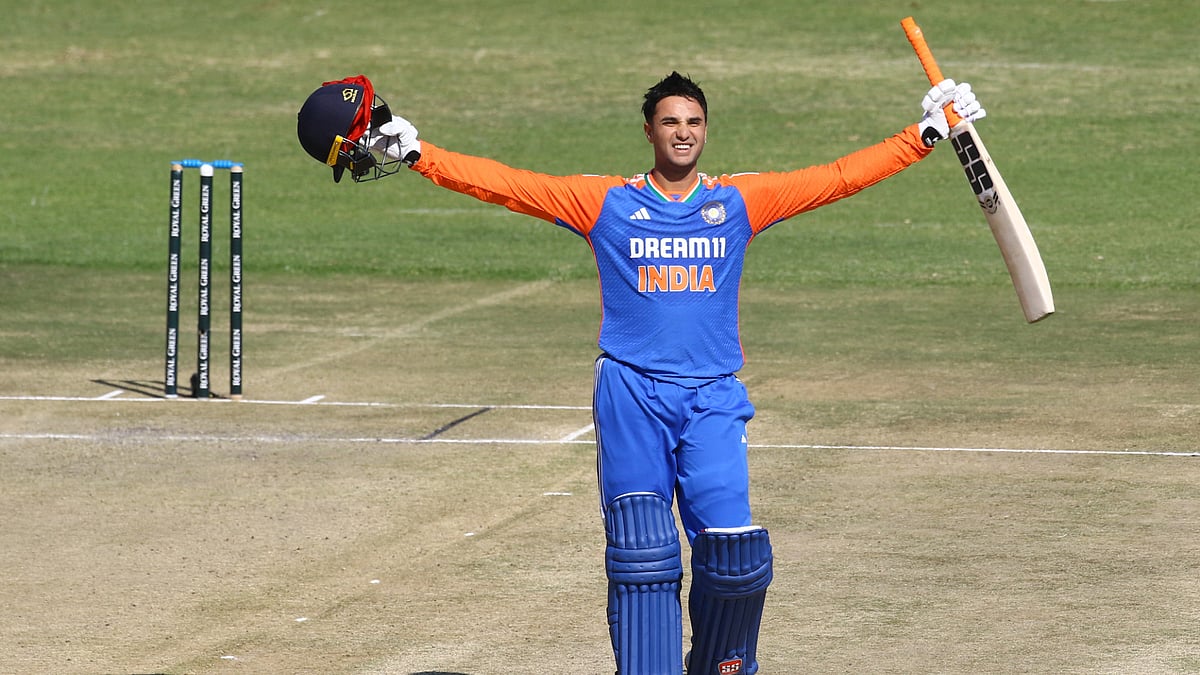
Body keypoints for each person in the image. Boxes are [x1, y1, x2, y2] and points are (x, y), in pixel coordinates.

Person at [297, 71, 985, 675]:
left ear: (704, 131)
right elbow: (509, 185)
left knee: (734, 553)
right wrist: (420, 155)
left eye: (693, 122)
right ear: (650, 132)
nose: (682, 133)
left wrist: (923, 133)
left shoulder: (741, 201)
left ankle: (722, 662)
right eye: (670, 122)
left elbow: (836, 178)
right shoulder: (607, 204)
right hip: (630, 391)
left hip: (713, 397)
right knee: (644, 554)